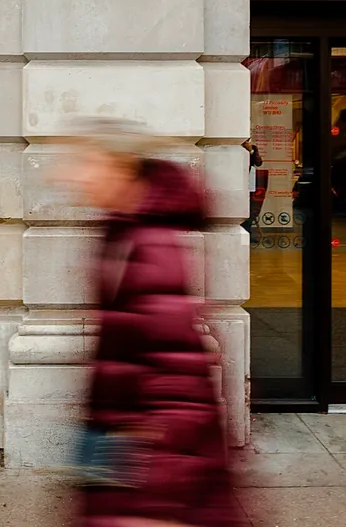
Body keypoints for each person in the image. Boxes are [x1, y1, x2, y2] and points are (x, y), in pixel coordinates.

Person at [56, 117, 242, 527]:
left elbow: (179, 370)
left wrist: (163, 485)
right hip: (116, 437)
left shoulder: (150, 244)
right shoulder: (120, 231)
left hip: (144, 457)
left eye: (85, 162)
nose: (72, 175)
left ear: (118, 168)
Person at [241, 139, 264, 239]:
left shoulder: (253, 149)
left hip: (248, 183)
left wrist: (251, 151)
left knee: (249, 209)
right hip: (238, 181)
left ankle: (248, 232)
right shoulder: (236, 148)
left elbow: (259, 162)